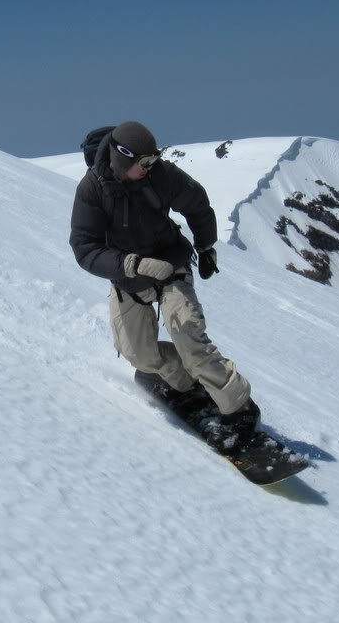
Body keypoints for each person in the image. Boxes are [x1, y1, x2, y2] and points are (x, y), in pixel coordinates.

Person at [69, 121, 260, 447]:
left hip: (171, 264)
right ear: (121, 159)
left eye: (152, 161)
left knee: (186, 331)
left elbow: (197, 203)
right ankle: (185, 382)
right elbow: (85, 249)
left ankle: (238, 408)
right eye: (142, 163)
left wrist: (206, 246)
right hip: (129, 277)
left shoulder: (160, 175)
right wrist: (132, 265)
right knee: (138, 355)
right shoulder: (92, 190)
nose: (149, 168)